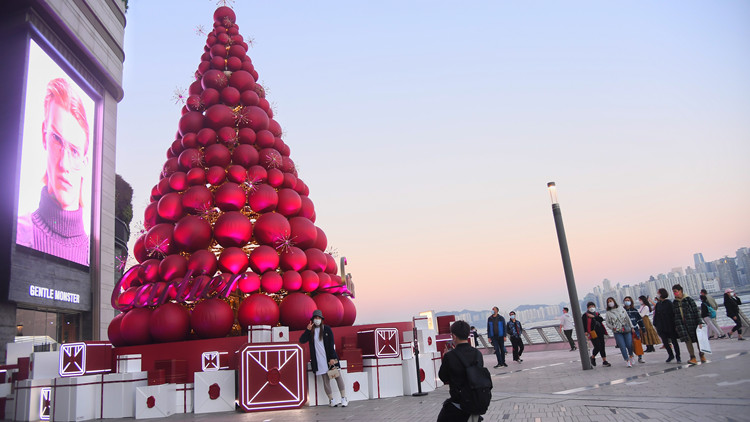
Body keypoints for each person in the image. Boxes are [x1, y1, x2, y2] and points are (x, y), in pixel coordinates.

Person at [16, 77, 90, 266]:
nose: (64, 164)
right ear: (44, 135)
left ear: (84, 162)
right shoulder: (14, 232)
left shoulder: (96, 258)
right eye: (57, 139)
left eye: (74, 151)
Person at [437, 320, 486, 422]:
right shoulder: (477, 354)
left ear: (453, 336)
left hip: (458, 403)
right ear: (468, 334)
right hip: (476, 401)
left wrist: (445, 358)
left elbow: (443, 377)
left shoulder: (450, 356)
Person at [299, 309, 348, 407]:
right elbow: (301, 340)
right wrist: (307, 330)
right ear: (312, 320)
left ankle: (344, 398)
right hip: (319, 361)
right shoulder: (311, 331)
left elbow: (331, 344)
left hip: (330, 359)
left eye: (319, 318)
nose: (317, 320)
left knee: (337, 377)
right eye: (315, 318)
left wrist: (332, 358)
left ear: (321, 319)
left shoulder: (327, 329)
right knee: (326, 381)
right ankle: (331, 400)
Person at [672, 284, 706, 364]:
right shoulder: (675, 302)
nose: (675, 293)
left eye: (676, 291)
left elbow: (696, 311)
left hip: (692, 323)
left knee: (698, 340)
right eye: (673, 292)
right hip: (682, 325)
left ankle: (702, 355)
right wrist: (676, 326)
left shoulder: (689, 300)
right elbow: (675, 315)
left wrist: (700, 322)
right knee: (688, 341)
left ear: (680, 291)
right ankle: (692, 357)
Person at [652, 288, 681, 363]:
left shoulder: (669, 303)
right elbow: (656, 315)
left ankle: (678, 356)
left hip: (670, 325)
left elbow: (673, 314)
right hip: (661, 326)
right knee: (665, 342)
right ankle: (670, 355)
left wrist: (675, 325)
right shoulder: (658, 304)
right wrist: (655, 324)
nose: (657, 294)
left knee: (674, 342)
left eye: (658, 293)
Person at [605, 297, 635, 367]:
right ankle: (627, 360)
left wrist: (632, 327)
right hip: (617, 331)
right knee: (622, 346)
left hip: (626, 329)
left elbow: (627, 318)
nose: (610, 302)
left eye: (611, 301)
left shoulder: (621, 308)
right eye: (608, 302)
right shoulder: (608, 313)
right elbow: (607, 323)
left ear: (614, 301)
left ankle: (631, 355)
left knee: (629, 344)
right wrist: (613, 328)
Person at [582, 302, 611, 367]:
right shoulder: (585, 315)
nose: (592, 308)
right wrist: (585, 332)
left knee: (602, 346)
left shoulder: (597, 314)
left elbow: (601, 320)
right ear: (587, 308)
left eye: (593, 306)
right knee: (597, 346)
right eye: (590, 306)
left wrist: (594, 316)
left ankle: (604, 361)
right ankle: (592, 357)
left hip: (600, 331)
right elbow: (583, 325)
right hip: (592, 333)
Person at [623, 296, 646, 363]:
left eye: (628, 300)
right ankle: (631, 356)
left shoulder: (634, 310)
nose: (627, 301)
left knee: (637, 343)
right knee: (629, 344)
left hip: (635, 329)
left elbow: (640, 320)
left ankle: (640, 357)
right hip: (627, 330)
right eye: (626, 300)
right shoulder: (623, 311)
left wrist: (643, 329)